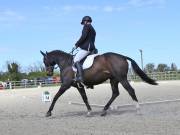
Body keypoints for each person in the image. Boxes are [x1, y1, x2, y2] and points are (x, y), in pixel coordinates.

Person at [73, 16, 97, 82]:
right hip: (92, 48)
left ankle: (80, 77)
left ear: (85, 21)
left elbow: (83, 37)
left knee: (76, 59)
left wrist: (76, 44)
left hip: (87, 47)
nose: (83, 24)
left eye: (83, 22)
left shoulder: (86, 26)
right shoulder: (92, 29)